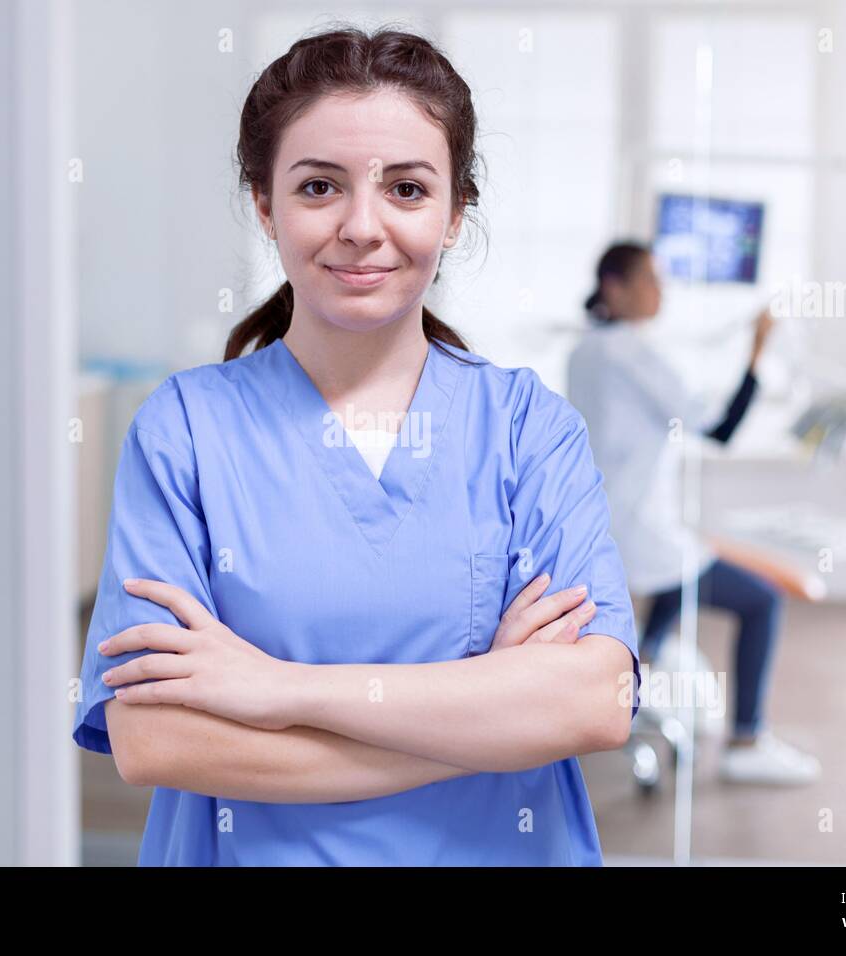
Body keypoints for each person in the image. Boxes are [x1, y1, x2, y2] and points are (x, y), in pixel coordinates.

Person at [71, 27, 643, 866]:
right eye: (319, 187)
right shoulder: (185, 430)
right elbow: (157, 741)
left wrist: (278, 690)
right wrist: (489, 717)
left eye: (408, 189)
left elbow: (595, 699)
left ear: (454, 215)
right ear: (265, 206)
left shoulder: (528, 428)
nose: (362, 227)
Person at [567, 241, 821, 785]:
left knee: (672, 583)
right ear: (615, 287)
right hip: (641, 535)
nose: (662, 292)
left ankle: (642, 675)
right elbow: (721, 430)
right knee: (761, 600)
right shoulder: (633, 353)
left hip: (606, 529)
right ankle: (747, 740)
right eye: (650, 280)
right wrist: (756, 350)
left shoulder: (587, 351)